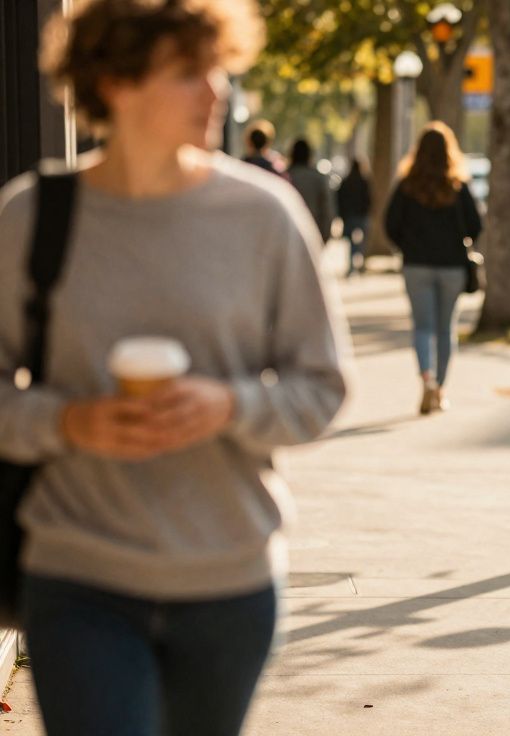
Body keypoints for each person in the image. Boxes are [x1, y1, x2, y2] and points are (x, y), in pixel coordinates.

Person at [0, 2, 351, 734]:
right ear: (116, 82)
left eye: (218, 68)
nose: (216, 91)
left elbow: (322, 386)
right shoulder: (31, 218)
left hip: (230, 580)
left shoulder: (266, 214)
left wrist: (229, 406)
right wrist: (68, 421)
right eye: (190, 73)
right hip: (78, 576)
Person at [385, 122, 482, 415]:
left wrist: (408, 245)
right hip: (452, 266)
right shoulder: (458, 185)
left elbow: (390, 224)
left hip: (416, 265)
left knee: (422, 326)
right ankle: (440, 388)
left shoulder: (407, 185)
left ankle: (426, 378)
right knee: (445, 329)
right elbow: (476, 225)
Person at [286, 138, 334, 244]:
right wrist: (324, 237)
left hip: (287, 237)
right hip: (313, 236)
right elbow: (327, 210)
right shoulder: (319, 179)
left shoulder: (284, 177)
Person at [337, 157, 372, 277]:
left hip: (350, 215)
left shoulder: (346, 181)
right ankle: (359, 262)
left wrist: (341, 215)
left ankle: (352, 265)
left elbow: (340, 198)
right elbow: (368, 199)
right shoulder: (364, 181)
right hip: (361, 215)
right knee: (361, 241)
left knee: (352, 242)